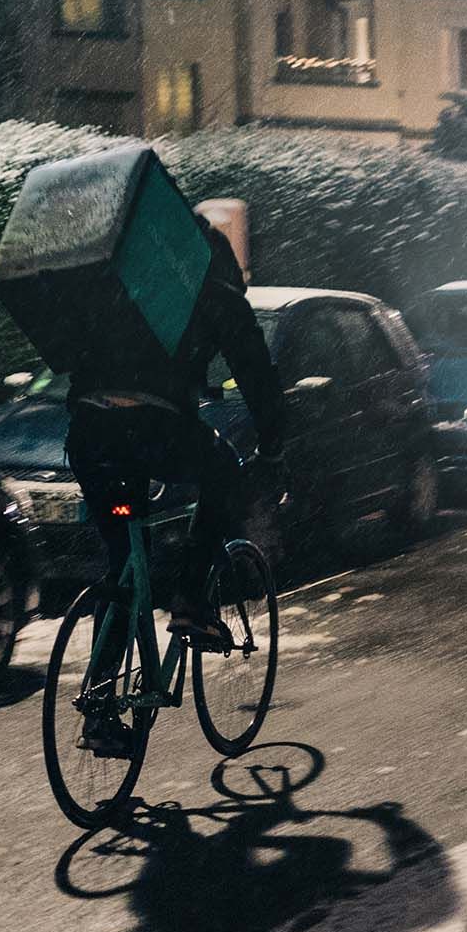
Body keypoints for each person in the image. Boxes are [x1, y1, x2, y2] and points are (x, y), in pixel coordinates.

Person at [65, 221, 285, 754]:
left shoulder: (130, 283)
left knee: (122, 562)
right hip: (154, 431)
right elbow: (256, 374)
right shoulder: (216, 291)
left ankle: (99, 710)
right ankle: (190, 600)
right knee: (224, 470)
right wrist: (274, 446)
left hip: (89, 433)